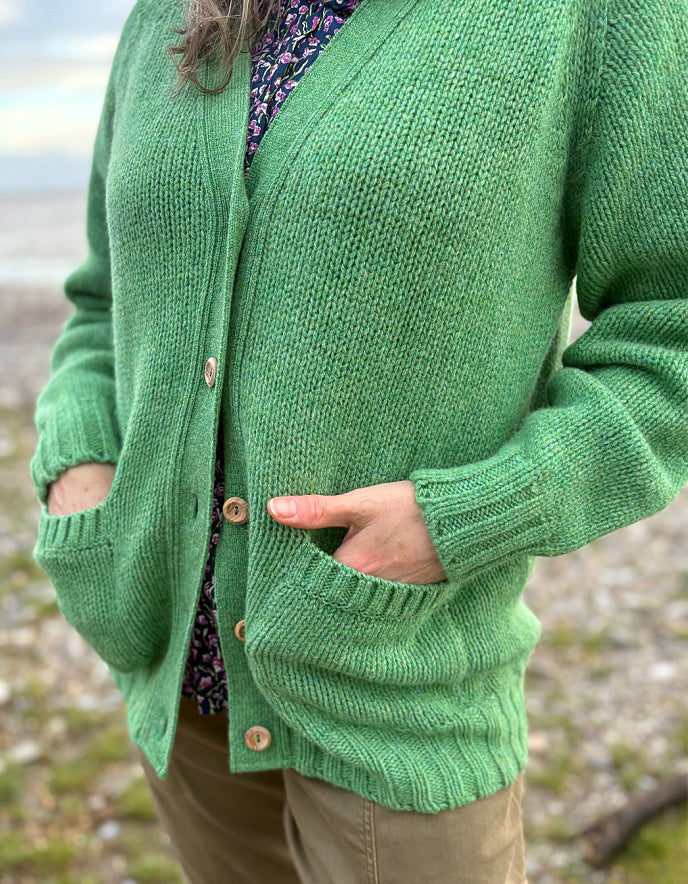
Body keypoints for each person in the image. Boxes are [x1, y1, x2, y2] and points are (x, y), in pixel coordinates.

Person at [31, 0, 687, 881]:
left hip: (397, 686)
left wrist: (468, 517)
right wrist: (78, 468)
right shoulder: (166, 16)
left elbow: (669, 332)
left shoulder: (591, 18)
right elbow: (104, 303)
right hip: (178, 686)